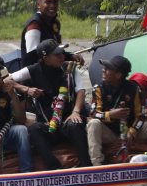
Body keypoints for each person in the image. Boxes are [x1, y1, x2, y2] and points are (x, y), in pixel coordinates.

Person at [87, 56, 147, 176]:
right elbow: (93, 113)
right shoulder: (98, 88)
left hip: (130, 130)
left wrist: (133, 130)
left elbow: (140, 116)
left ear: (118, 75)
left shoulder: (134, 89)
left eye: (107, 68)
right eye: (104, 68)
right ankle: (97, 167)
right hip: (109, 132)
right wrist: (110, 114)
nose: (103, 70)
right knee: (93, 123)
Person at [11, 39, 91, 168]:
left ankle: (85, 166)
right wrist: (26, 89)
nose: (62, 57)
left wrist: (76, 111)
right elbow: (6, 80)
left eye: (62, 53)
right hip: (48, 124)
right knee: (33, 129)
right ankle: (53, 167)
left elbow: (81, 91)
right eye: (57, 55)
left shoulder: (70, 68)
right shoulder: (33, 70)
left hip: (67, 122)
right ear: (45, 58)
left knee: (75, 124)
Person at [21, 0, 65, 66]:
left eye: (55, 2)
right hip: (36, 72)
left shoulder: (55, 23)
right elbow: (32, 55)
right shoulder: (34, 24)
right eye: (48, 2)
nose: (52, 6)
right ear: (38, 4)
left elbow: (57, 49)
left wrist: (70, 56)